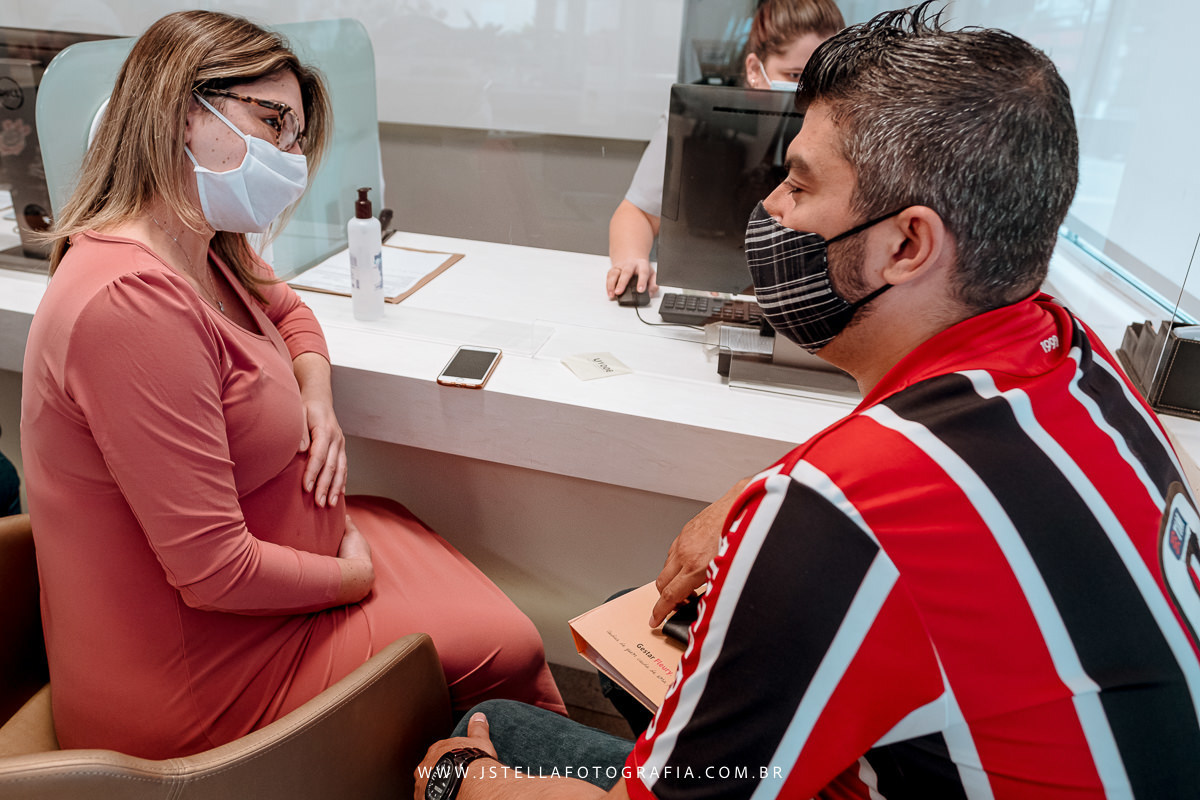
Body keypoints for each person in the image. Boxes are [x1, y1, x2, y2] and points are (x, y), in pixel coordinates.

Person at [416, 3, 1200, 798]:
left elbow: (858, 511)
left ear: (907, 245)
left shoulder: (839, 516)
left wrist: (465, 781)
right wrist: (751, 500)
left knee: (489, 735)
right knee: (642, 614)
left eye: (799, 182)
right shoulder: (1082, 358)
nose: (771, 210)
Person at [20, 10, 563, 760]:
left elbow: (290, 310)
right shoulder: (131, 305)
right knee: (507, 645)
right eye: (272, 121)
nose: (290, 155)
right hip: (199, 678)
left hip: (261, 596)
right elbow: (213, 573)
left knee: (415, 529)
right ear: (182, 110)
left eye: (297, 136)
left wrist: (314, 395)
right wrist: (349, 575)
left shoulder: (199, 244)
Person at [606, 0, 844, 301]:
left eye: (822, 78)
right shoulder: (696, 121)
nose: (808, 92)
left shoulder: (843, 135)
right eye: (795, 76)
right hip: (705, 296)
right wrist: (631, 261)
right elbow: (637, 212)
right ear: (755, 70)